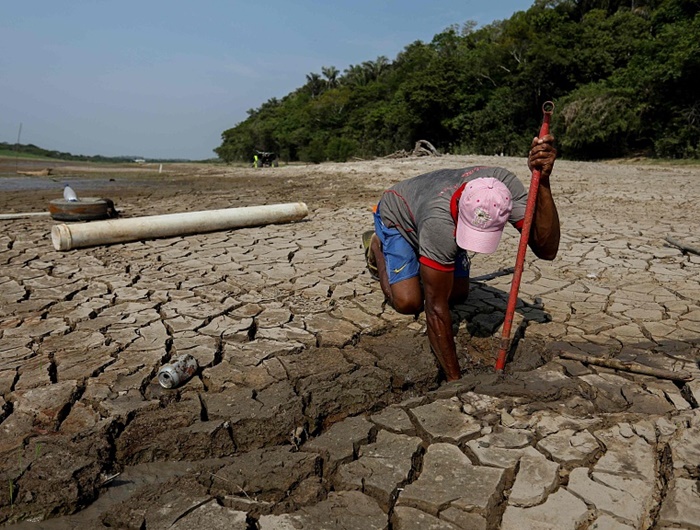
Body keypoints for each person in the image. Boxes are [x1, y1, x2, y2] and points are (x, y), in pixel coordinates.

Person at [363, 135, 560, 382]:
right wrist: (455, 381)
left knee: (458, 295)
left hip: (431, 214)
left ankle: (426, 259)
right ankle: (377, 245)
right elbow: (434, 309)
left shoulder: (502, 188)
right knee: (408, 302)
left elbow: (546, 249)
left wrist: (543, 181)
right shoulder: (440, 224)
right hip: (399, 214)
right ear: (460, 213)